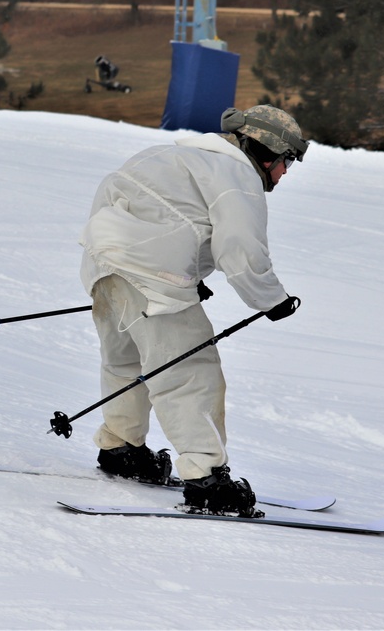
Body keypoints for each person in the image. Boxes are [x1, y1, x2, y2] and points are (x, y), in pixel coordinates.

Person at [78, 104, 308, 518]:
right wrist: (270, 298)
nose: (286, 173)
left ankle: (121, 448)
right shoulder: (237, 176)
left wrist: (167, 268)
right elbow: (239, 248)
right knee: (190, 373)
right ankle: (207, 481)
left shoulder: (169, 155)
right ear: (267, 152)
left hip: (102, 268)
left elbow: (143, 206)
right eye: (287, 161)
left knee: (125, 362)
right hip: (151, 276)